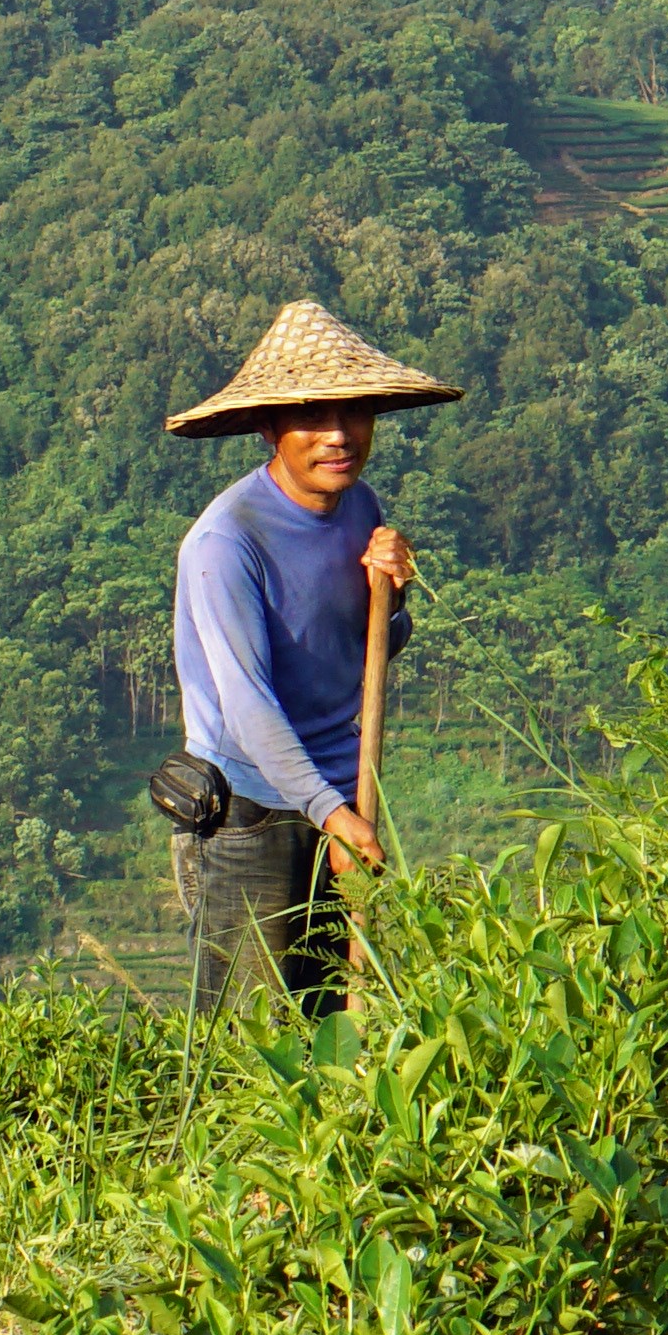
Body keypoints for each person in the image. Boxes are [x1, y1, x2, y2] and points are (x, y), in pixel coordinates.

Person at [158, 297, 455, 1009]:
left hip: (336, 797)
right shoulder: (226, 544)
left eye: (354, 411)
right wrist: (335, 816)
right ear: (268, 428)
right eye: (312, 416)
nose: (338, 435)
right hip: (253, 815)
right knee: (250, 1045)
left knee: (328, 1024)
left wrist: (394, 595)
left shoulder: (360, 508)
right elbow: (248, 705)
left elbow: (364, 655)